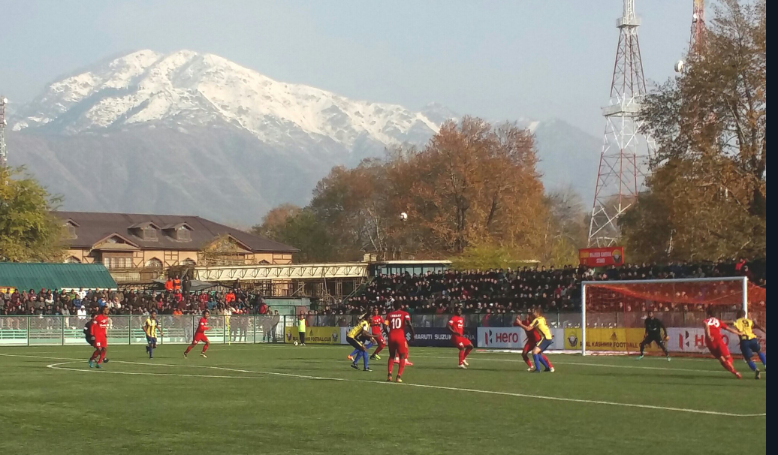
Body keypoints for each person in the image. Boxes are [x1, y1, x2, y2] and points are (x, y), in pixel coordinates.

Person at [703, 308, 743, 379]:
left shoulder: (705, 320)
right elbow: (729, 329)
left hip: (710, 342)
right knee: (728, 358)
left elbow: (706, 326)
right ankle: (730, 366)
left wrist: (708, 336)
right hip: (718, 340)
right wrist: (739, 333)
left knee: (721, 358)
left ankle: (735, 372)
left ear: (708, 315)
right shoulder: (718, 321)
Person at [515, 308, 554, 373]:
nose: (532, 314)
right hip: (547, 337)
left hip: (544, 338)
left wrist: (520, 323)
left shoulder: (537, 320)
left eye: (533, 312)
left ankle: (538, 369)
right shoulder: (542, 318)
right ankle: (547, 367)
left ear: (537, 313)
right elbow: (545, 327)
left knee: (534, 352)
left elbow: (528, 329)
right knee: (538, 353)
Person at [732, 310, 767, 379]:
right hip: (753, 339)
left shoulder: (737, 321)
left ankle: (756, 370)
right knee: (759, 351)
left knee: (748, 359)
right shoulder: (749, 321)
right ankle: (766, 365)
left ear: (738, 314)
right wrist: (763, 330)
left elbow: (732, 325)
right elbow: (756, 325)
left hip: (744, 341)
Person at [386, 300, 415, 383]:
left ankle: (389, 375)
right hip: (400, 337)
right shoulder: (405, 314)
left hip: (391, 336)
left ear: (393, 306)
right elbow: (409, 323)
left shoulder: (389, 315)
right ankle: (398, 377)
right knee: (402, 356)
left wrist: (389, 334)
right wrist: (413, 334)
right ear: (401, 306)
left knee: (392, 356)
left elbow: (384, 326)